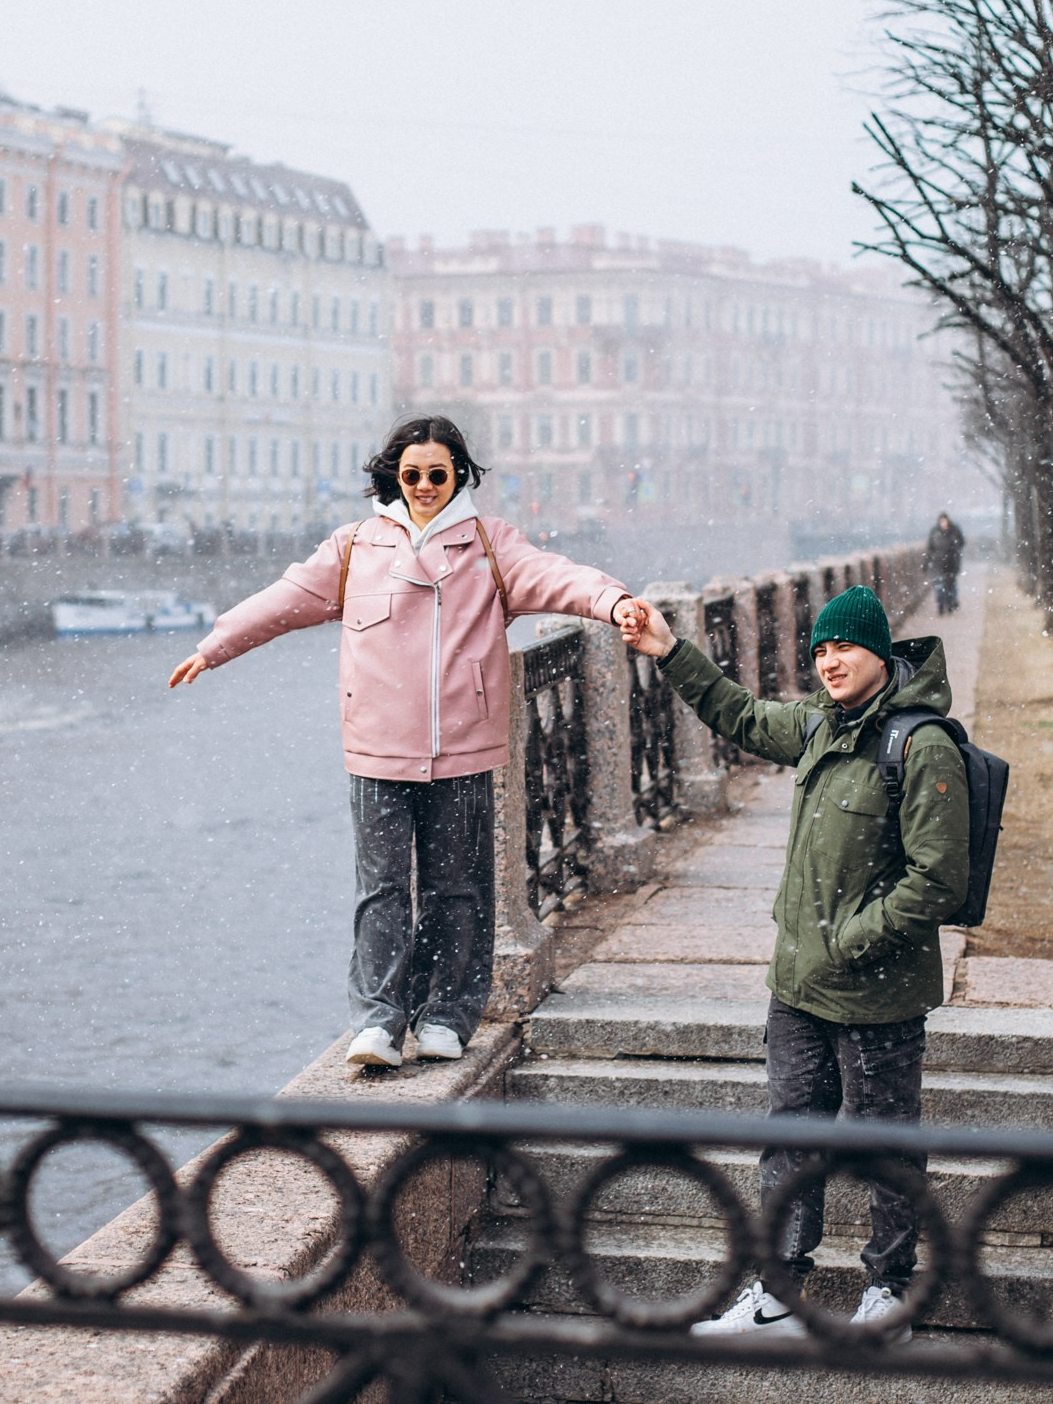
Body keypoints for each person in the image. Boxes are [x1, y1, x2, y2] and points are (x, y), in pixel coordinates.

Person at [171, 416, 645, 1069]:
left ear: (458, 478)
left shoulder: (489, 544)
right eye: (412, 474)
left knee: (458, 887)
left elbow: (556, 575)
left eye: (437, 475)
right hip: (377, 745)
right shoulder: (355, 547)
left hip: (463, 743)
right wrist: (214, 646)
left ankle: (447, 1016)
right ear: (395, 474)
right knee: (382, 888)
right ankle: (379, 1023)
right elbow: (282, 600)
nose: (423, 486)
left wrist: (614, 602)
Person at [621, 584, 968, 1339]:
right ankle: (777, 1290)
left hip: (876, 992)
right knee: (790, 1139)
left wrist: (853, 939)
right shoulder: (819, 725)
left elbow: (938, 878)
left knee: (886, 1146)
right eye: (819, 650)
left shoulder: (921, 744)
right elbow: (740, 713)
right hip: (798, 987)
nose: (830, 661)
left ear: (880, 649)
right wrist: (670, 650)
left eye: (843, 646)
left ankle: (890, 1292)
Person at [926, 512, 965, 616]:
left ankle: (950, 603)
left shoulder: (953, 531)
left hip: (951, 563)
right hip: (938, 564)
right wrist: (927, 562)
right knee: (939, 586)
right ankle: (942, 606)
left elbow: (961, 543)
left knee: (950, 585)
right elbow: (930, 549)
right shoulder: (935, 532)